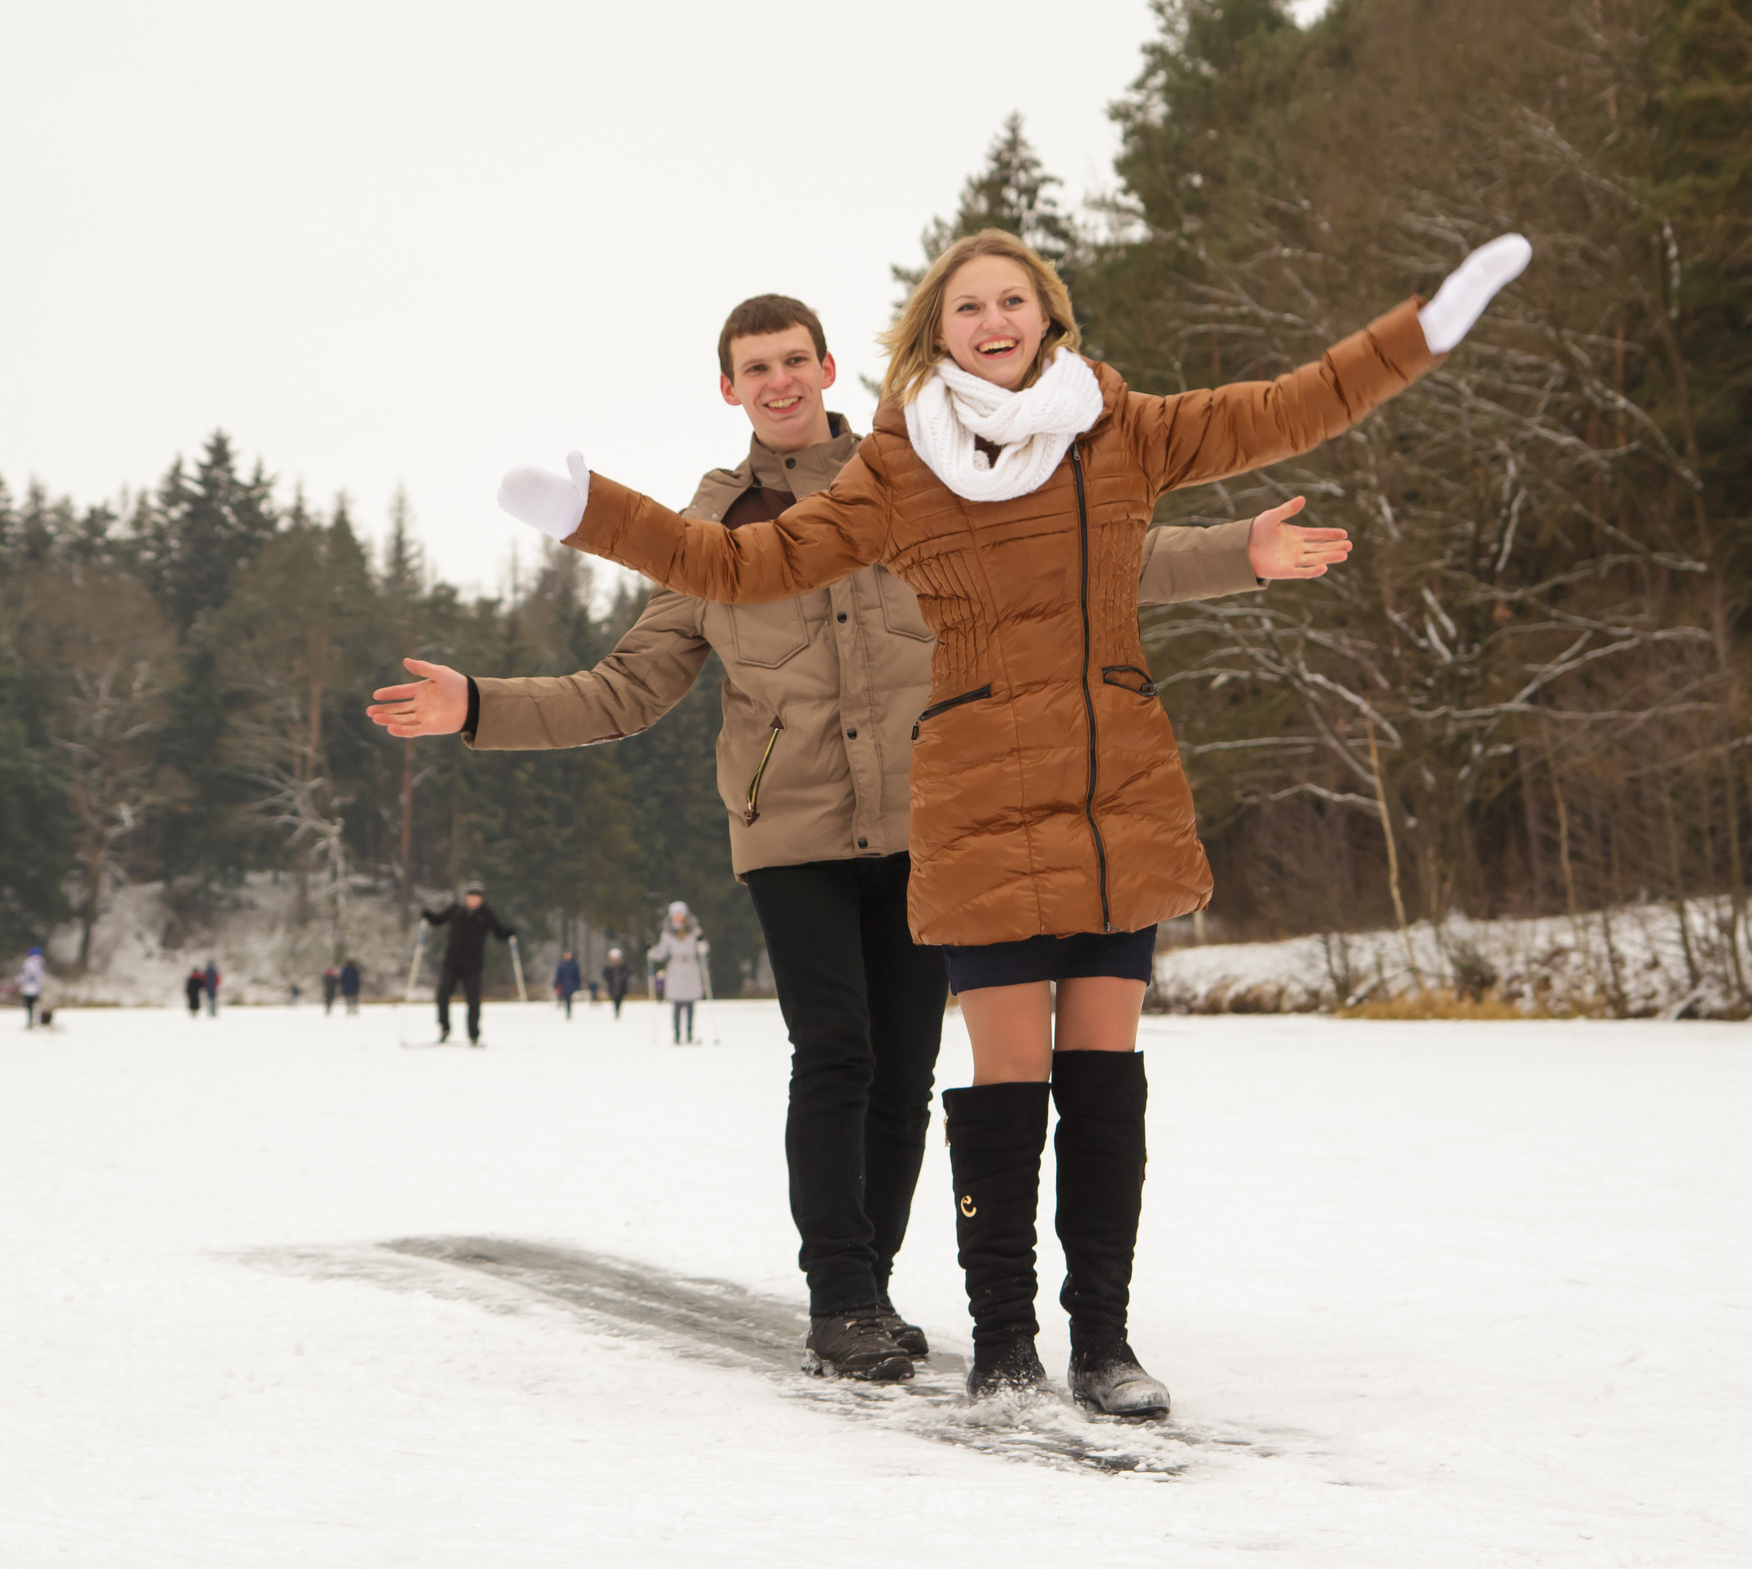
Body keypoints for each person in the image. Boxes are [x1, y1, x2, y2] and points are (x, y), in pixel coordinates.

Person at [495, 228, 1529, 1411]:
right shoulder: (900, 468)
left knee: (1106, 1079)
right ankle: (1001, 1344)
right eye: (968, 305)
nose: (993, 320)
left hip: (1113, 792)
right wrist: (593, 512)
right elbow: (740, 568)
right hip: (981, 799)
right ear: (934, 331)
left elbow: (1289, 409)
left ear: (1049, 316)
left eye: (1014, 300)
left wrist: (1424, 328)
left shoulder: (1121, 429)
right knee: (999, 1081)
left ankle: (1104, 1344)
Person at [370, 293, 1345, 1385]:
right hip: (792, 834)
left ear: (829, 368)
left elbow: (1089, 555)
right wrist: (479, 708)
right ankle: (840, 1295)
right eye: (755, 367)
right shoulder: (708, 535)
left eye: (795, 359)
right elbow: (624, 690)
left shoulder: (920, 475)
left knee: (906, 1071)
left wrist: (1241, 553)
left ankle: (868, 1286)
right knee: (835, 1052)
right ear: (728, 389)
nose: (778, 381)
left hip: (936, 821)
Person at [421, 884, 516, 1045]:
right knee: (442, 995)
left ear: (481, 899)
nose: (474, 900)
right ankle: (444, 1028)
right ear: (466, 897)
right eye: (471, 896)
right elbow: (438, 920)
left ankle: (473, 1034)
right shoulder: (456, 910)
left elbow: (499, 933)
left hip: (473, 965)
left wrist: (509, 933)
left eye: (477, 897)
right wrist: (428, 916)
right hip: (452, 963)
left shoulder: (486, 914)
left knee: (473, 1000)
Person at [652, 901, 708, 1045]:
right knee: (676, 1004)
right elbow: (661, 952)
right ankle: (676, 1034)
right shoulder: (667, 934)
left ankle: (689, 1033)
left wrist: (702, 947)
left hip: (690, 967)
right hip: (675, 968)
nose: (678, 917)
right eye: (675, 914)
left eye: (681, 914)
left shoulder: (695, 931)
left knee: (690, 1003)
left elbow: (703, 948)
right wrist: (652, 952)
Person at [18, 947, 47, 1029]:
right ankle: (37, 1022)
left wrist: (19, 982)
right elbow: (40, 977)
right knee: (36, 1006)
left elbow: (23, 976)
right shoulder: (41, 962)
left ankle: (30, 1023)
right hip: (36, 989)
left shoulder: (26, 963)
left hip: (26, 989)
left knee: (29, 1007)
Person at [552, 949, 582, 1020]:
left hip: (571, 984)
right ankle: (564, 1008)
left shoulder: (574, 964)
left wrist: (577, 984)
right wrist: (556, 984)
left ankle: (568, 1012)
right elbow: (558, 976)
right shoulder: (562, 965)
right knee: (564, 997)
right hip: (563, 984)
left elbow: (577, 976)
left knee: (569, 998)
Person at [601, 946, 630, 1021]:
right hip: (612, 986)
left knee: (619, 999)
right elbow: (605, 975)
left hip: (621, 986)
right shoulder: (608, 966)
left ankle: (618, 1012)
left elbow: (627, 973)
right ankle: (616, 1012)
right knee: (614, 999)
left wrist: (622, 978)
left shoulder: (623, 965)